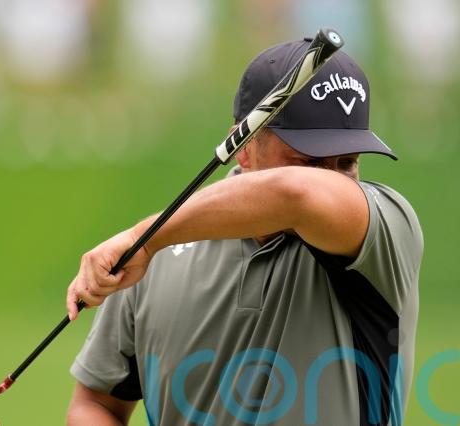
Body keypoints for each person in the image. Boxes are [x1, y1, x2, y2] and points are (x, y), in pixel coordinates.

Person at [65, 37, 423, 426]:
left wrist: (146, 238)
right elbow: (95, 405)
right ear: (244, 146)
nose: (334, 180)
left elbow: (298, 194)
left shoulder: (384, 231)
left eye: (347, 162)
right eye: (308, 160)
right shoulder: (159, 250)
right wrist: (151, 242)